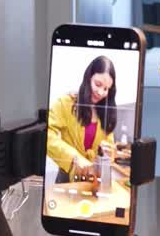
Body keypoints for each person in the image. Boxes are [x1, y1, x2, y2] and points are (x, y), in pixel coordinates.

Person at [47, 55, 118, 186]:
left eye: (106, 89)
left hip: (94, 181)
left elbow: (110, 150)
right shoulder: (66, 103)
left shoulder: (106, 112)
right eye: (98, 84)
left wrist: (108, 153)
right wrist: (73, 158)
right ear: (88, 78)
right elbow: (47, 135)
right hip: (67, 179)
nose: (101, 92)